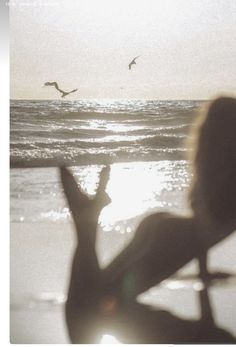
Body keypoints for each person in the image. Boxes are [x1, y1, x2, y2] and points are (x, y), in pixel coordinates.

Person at [60, 96, 236, 343]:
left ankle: (88, 221)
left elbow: (204, 225)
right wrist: (203, 271)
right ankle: (86, 223)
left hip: (167, 229)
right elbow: (207, 230)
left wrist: (204, 275)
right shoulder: (229, 185)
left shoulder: (215, 182)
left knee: (92, 301)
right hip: (174, 240)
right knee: (95, 306)